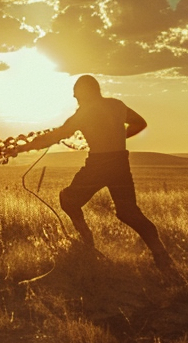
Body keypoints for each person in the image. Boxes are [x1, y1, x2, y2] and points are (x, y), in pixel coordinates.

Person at [15, 75, 174, 272]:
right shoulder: (117, 105)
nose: (76, 100)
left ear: (85, 92)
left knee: (68, 199)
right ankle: (160, 253)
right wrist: (117, 135)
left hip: (99, 165)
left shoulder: (84, 113)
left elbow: (55, 136)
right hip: (120, 163)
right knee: (128, 212)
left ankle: (86, 243)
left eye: (77, 96)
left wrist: (20, 149)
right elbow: (140, 123)